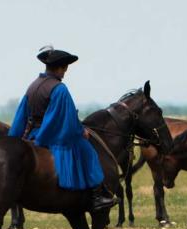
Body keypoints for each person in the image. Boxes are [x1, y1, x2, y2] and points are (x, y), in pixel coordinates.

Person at [8, 46, 115, 211]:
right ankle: (97, 195)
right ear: (59, 67)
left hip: (32, 134)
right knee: (88, 150)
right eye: (65, 68)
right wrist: (81, 131)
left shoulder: (33, 86)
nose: (65, 72)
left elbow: (21, 115)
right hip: (49, 135)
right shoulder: (60, 89)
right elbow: (64, 118)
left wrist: (14, 138)